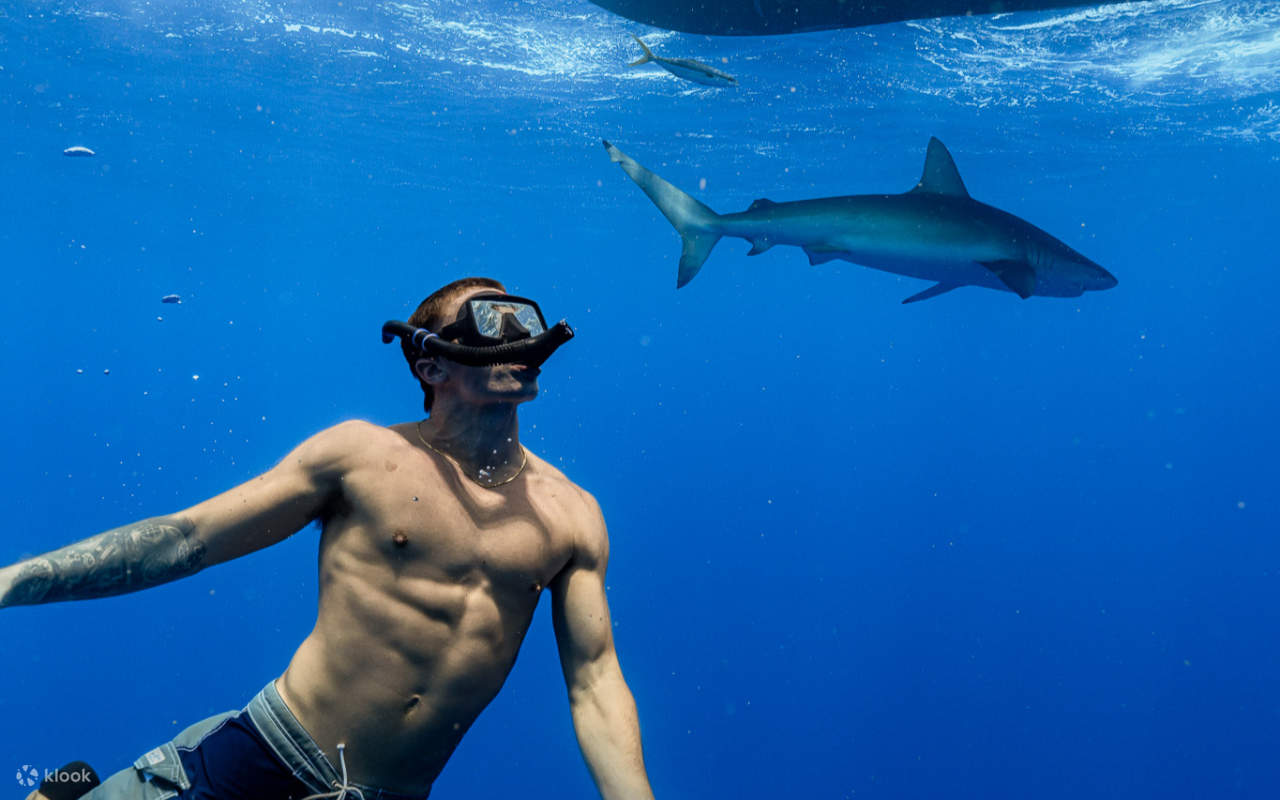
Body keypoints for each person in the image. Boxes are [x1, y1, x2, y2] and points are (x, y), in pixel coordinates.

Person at [0, 277, 655, 800]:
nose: (516, 338)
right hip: (258, 763)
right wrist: (12, 583)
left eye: (524, 323)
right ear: (430, 362)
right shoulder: (362, 457)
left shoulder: (572, 514)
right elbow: (187, 540)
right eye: (491, 322)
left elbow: (595, 683)